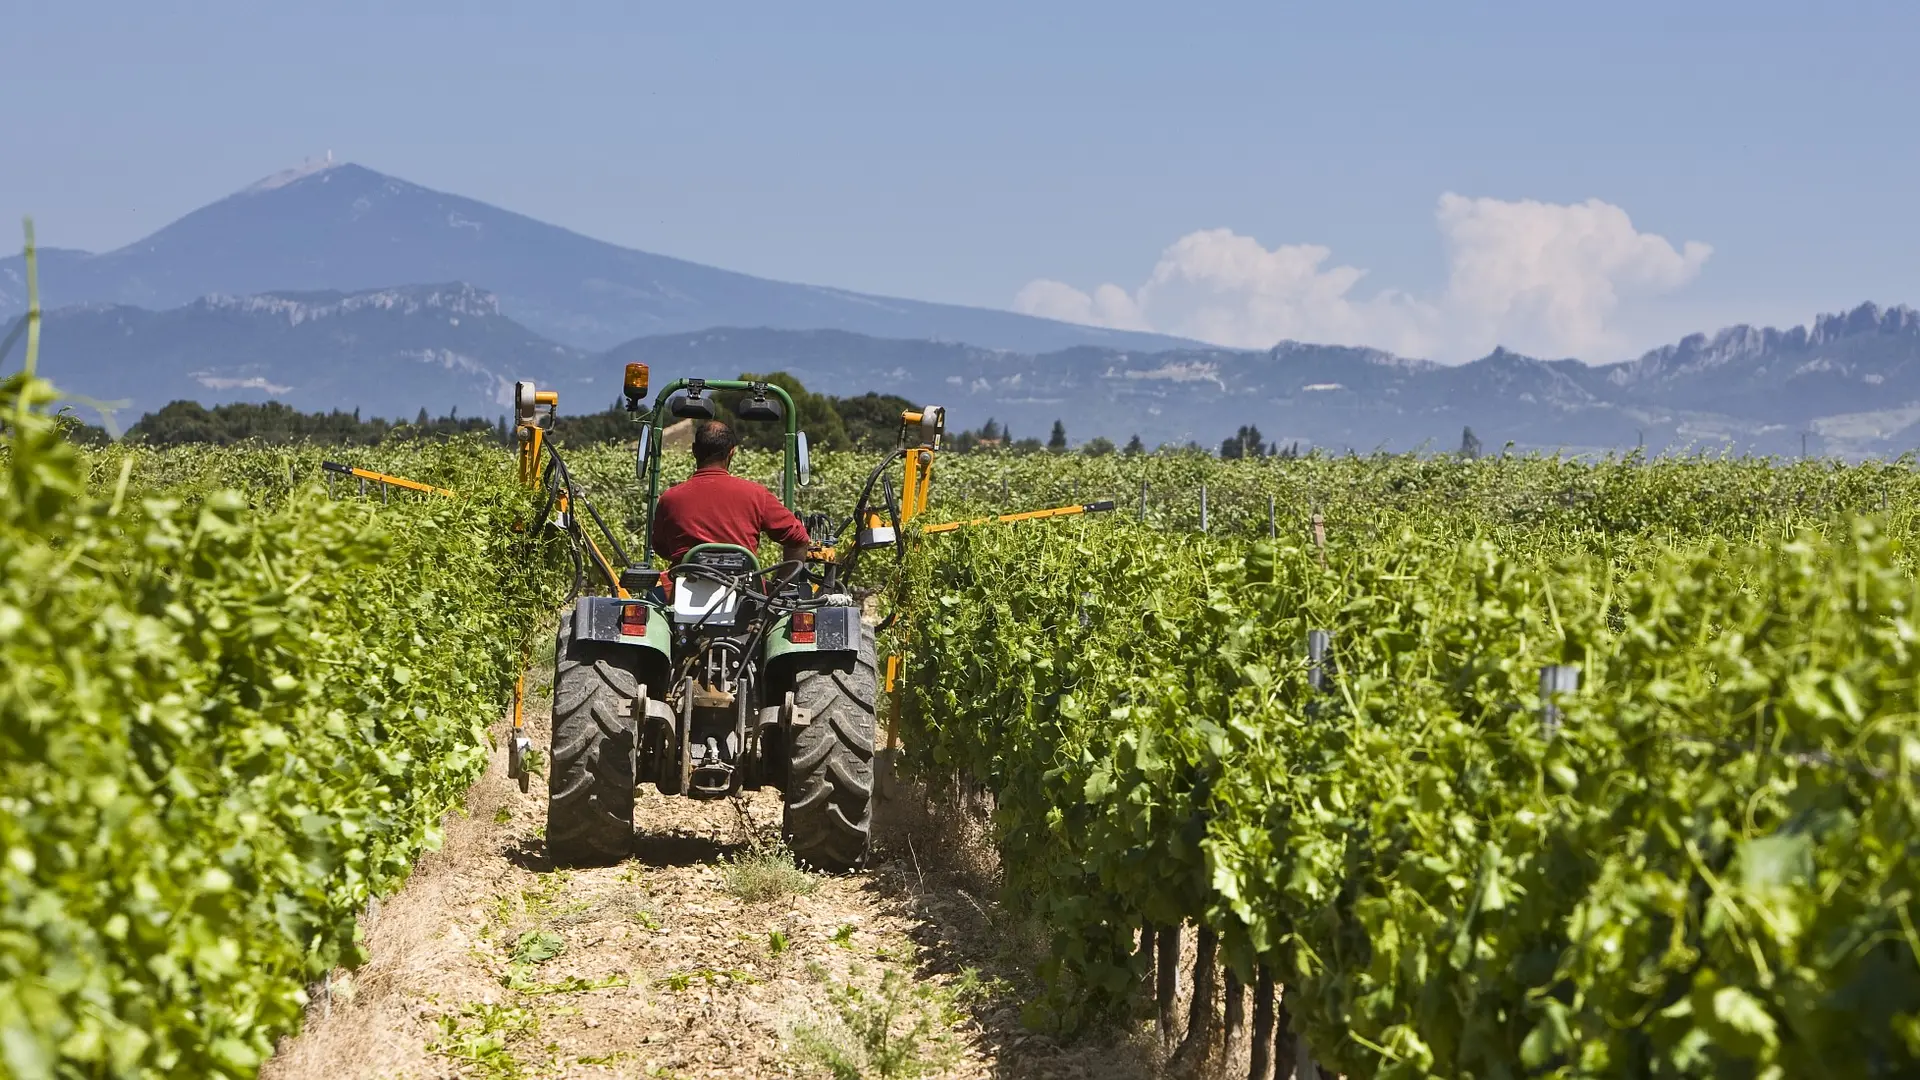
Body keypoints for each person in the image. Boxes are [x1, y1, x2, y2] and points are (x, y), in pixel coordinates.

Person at [652, 420, 811, 569]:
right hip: (742, 591)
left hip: (683, 589)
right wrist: (781, 586)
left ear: (694, 450)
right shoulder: (756, 495)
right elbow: (799, 539)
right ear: (732, 453)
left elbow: (661, 547)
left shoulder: (669, 499)